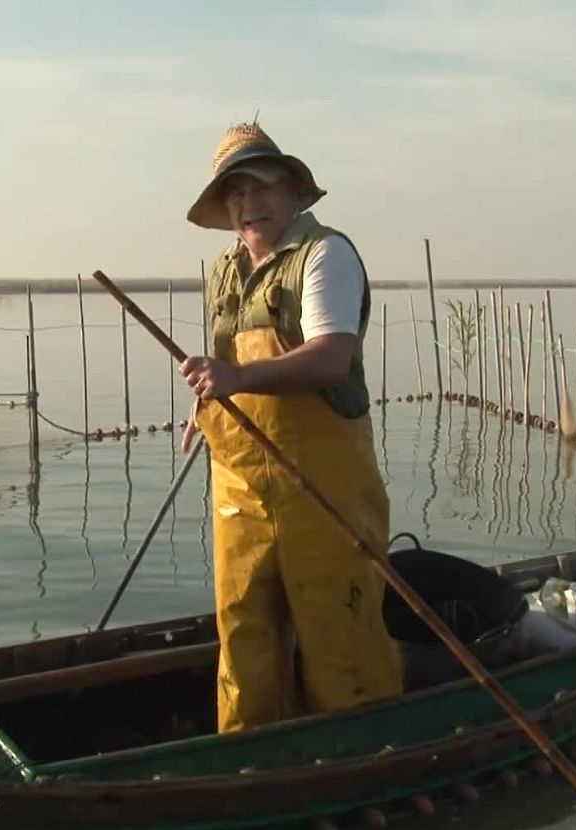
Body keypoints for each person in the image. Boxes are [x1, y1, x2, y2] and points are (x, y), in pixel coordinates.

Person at [178, 121, 404, 733]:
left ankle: (366, 748)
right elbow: (224, 363)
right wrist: (207, 404)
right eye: (235, 192)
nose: (248, 203)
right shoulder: (224, 270)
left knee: (338, 629)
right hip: (239, 486)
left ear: (294, 192)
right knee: (243, 628)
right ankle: (247, 754)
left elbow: (331, 358)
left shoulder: (325, 254)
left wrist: (235, 378)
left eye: (261, 186)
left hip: (322, 484)